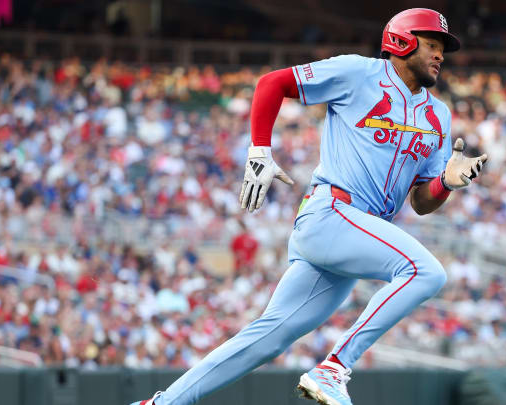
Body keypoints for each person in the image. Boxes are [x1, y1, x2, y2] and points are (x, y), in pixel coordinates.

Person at [133, 8, 487, 405]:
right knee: (426, 272)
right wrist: (259, 151)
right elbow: (272, 83)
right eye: (433, 45)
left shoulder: (439, 115)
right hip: (332, 214)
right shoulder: (359, 73)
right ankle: (335, 367)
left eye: (443, 48)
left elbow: (422, 202)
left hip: (353, 233)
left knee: (268, 338)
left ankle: (161, 403)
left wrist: (446, 183)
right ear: (402, 42)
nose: (441, 55)